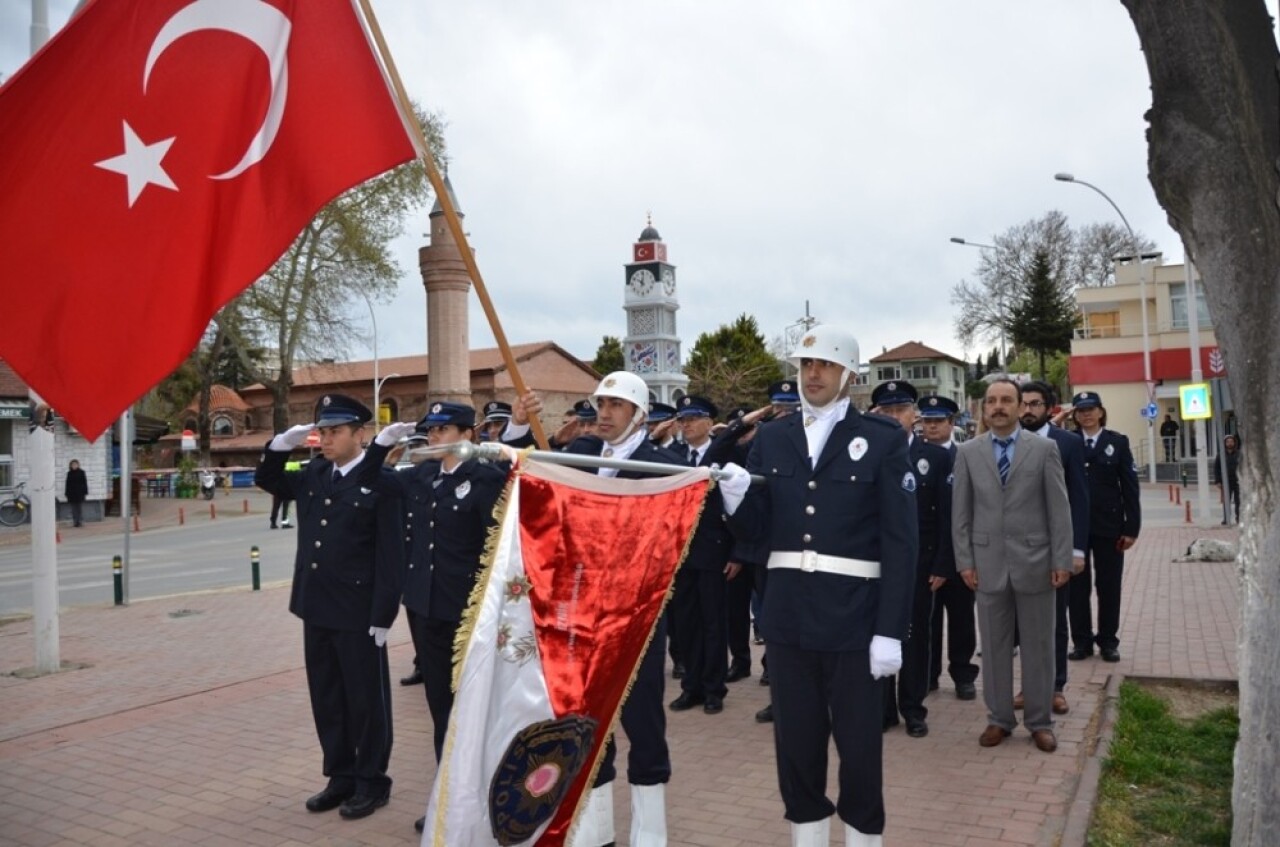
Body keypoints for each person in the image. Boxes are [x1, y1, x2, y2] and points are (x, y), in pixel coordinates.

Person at [718, 325, 916, 847]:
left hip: (855, 622)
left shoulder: (882, 438)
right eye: (806, 365)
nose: (814, 374)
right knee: (797, 749)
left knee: (859, 751)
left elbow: (901, 543)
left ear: (848, 374)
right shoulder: (773, 436)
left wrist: (890, 631)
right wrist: (738, 502)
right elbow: (758, 533)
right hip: (787, 621)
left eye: (825, 365)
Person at [503, 373, 684, 847]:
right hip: (582, 619)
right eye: (600, 403)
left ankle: (650, 835)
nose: (603, 412)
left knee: (643, 726)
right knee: (585, 726)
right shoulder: (580, 458)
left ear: (640, 415)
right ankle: (595, 833)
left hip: (636, 620)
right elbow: (529, 479)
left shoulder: (662, 467)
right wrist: (519, 431)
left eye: (616, 405)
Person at [357, 402, 514, 835]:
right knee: (441, 712)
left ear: (468, 433)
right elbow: (369, 479)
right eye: (430, 429)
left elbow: (500, 550)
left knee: (473, 709)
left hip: (468, 614)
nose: (434, 436)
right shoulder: (421, 476)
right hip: (424, 610)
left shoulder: (487, 480)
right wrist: (383, 444)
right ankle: (448, 799)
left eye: (443, 429)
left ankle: (483, 797)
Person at [254, 395, 404, 820]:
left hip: (358, 613)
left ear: (361, 434)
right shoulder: (315, 473)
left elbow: (391, 556)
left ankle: (372, 781)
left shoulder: (382, 483)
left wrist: (383, 615)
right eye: (323, 431)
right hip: (316, 606)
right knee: (328, 697)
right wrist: (281, 444)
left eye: (336, 431)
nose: (326, 439)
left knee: (366, 701)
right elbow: (269, 479)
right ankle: (340, 775)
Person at [952, 379, 1073, 755]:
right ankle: (999, 719)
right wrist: (965, 561)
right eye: (992, 401)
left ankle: (1040, 722)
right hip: (986, 565)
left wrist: (1062, 559)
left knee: (1039, 646)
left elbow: (1059, 509)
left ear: (1021, 407)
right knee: (993, 645)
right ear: (983, 409)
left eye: (1007, 400)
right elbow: (962, 514)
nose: (999, 406)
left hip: (1036, 562)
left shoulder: (1044, 449)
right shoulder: (968, 452)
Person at [871, 380, 952, 740]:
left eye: (900, 410)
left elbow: (948, 517)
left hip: (921, 565)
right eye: (886, 410)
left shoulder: (935, 456)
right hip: (875, 565)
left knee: (916, 636)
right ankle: (883, 708)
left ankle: (913, 708)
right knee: (878, 633)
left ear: (913, 415)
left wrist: (941, 565)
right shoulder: (865, 453)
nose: (893, 417)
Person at [1017, 381, 1088, 716]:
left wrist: (1076, 550)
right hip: (1015, 550)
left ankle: (1056, 687)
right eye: (1024, 404)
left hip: (1054, 548)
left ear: (1050, 407)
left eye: (1034, 404)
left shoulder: (1068, 444)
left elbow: (1079, 500)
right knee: (1020, 623)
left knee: (1055, 621)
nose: (1027, 410)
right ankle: (1027, 687)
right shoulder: (1006, 441)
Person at [667, 396, 738, 716]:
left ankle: (713, 688)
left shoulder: (729, 455)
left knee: (713, 623)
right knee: (686, 623)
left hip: (714, 551)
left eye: (694, 418)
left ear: (710, 421)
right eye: (682, 419)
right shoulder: (671, 456)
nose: (687, 424)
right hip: (680, 553)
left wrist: (737, 552)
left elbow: (738, 506)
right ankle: (691, 686)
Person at [1067, 391, 1141, 663]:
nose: (1086, 414)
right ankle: (1081, 641)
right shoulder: (1068, 442)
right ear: (1074, 415)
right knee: (1076, 586)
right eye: (1080, 411)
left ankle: (1108, 641)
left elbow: (1130, 488)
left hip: (1109, 525)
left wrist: (1131, 528)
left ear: (1100, 412)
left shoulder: (1117, 443)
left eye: (1090, 409)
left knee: (1109, 585)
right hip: (1075, 526)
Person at [918, 395, 978, 701]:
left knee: (962, 620)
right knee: (927, 622)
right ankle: (928, 675)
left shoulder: (967, 456)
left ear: (951, 424)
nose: (931, 426)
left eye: (938, 421)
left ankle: (963, 674)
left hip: (962, 555)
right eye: (926, 420)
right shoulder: (914, 456)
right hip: (928, 555)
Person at [270, 460, 300, 529]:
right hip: (286, 490)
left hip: (277, 491)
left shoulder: (276, 470)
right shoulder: (291, 467)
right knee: (285, 508)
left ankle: (273, 523)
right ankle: (284, 523)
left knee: (275, 507)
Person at [1218, 434, 1241, 524]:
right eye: (1228, 442)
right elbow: (1217, 468)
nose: (1230, 443)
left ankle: (1239, 518)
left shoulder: (1239, 454)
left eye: (1231, 442)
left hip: (1238, 481)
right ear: (1225, 443)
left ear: (1234, 443)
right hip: (1226, 482)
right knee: (1226, 501)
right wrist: (1218, 481)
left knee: (1238, 501)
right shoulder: (1221, 455)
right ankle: (1226, 518)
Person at [64, 459, 88, 527]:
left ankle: (80, 521)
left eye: (75, 464)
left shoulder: (81, 472)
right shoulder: (69, 473)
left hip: (80, 493)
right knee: (73, 508)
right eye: (72, 465)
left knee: (79, 508)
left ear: (78, 465)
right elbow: (67, 484)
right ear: (70, 466)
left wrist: (85, 492)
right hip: (71, 494)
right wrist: (66, 493)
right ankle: (75, 522)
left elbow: (84, 482)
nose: (74, 466)